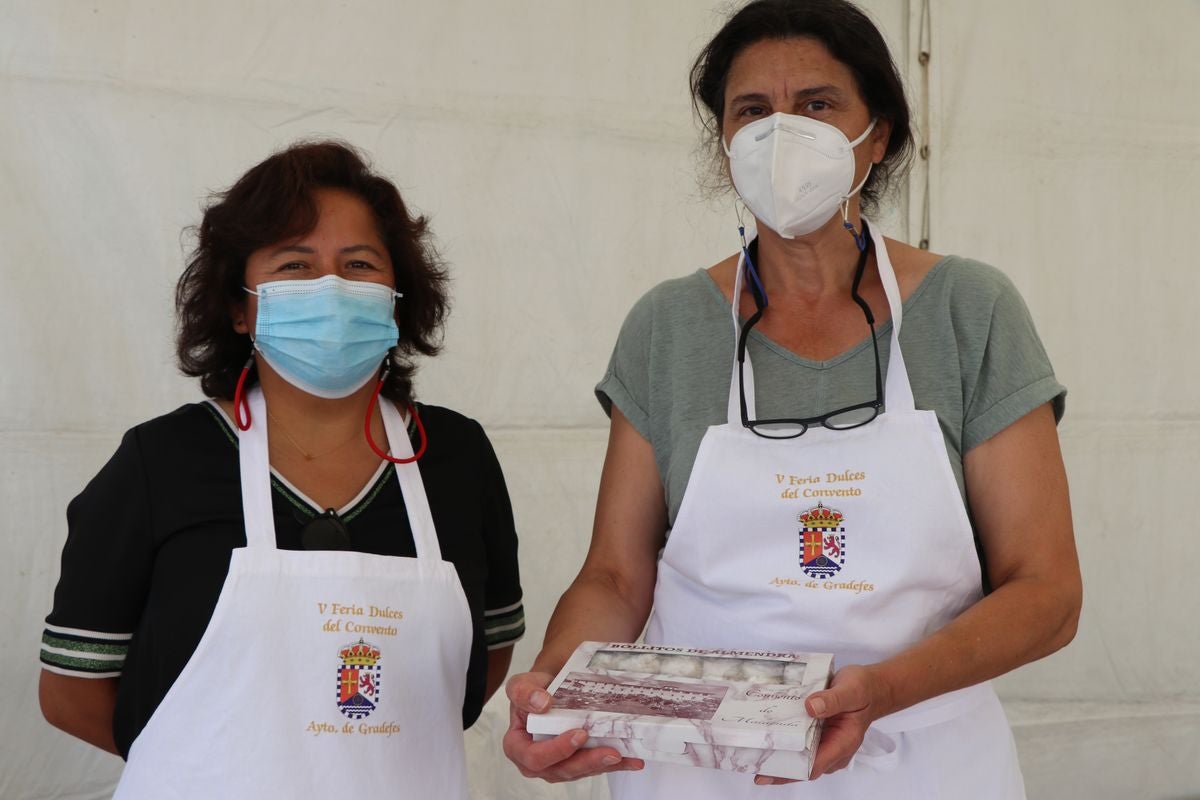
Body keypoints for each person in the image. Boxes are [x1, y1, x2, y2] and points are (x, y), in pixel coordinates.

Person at [503, 1, 1080, 797]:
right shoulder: (669, 325)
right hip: (700, 771)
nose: (782, 133)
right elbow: (615, 577)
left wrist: (884, 690)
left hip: (920, 763)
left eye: (816, 104)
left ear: (876, 135)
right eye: (752, 111)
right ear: (725, 145)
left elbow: (1045, 592)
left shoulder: (967, 310)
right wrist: (554, 687)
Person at [38, 141, 524, 799]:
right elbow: (71, 690)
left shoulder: (457, 456)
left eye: (359, 264)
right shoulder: (161, 463)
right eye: (295, 265)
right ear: (240, 307)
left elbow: (483, 661)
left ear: (397, 297)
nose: (331, 287)